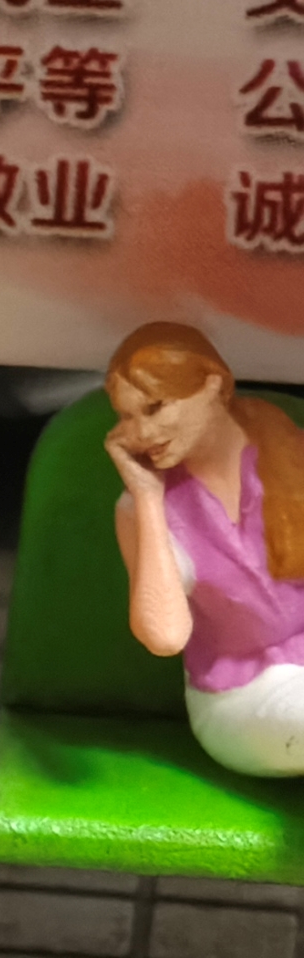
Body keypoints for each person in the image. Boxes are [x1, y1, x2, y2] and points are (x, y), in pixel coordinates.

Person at [100, 319, 304, 776]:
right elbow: (166, 637)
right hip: (244, 698)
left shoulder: (292, 457)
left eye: (154, 408)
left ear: (213, 385)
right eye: (127, 417)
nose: (142, 432)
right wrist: (147, 498)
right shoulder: (145, 510)